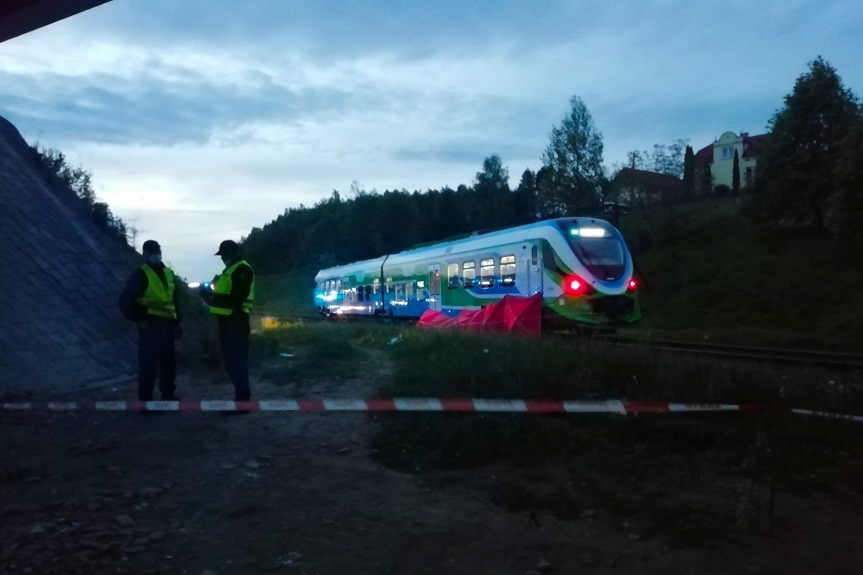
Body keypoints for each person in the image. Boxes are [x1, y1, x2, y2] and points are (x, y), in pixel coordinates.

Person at [118, 240, 182, 401]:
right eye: (152, 251)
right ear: (145, 254)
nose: (155, 254)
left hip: (167, 325)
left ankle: (168, 395)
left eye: (157, 251)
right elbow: (125, 302)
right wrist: (139, 319)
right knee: (149, 365)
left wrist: (177, 322)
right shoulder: (140, 274)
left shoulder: (167, 273)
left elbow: (173, 299)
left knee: (169, 364)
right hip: (150, 326)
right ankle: (146, 401)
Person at [203, 240, 254, 402]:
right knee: (231, 361)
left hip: (236, 321)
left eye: (223, 255)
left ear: (231, 253)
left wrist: (213, 299)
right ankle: (240, 396)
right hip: (227, 322)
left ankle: (242, 399)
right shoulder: (229, 271)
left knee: (236, 361)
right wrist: (210, 297)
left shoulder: (242, 269)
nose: (222, 258)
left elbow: (237, 298)